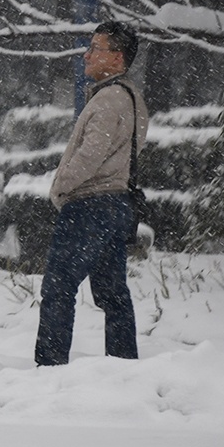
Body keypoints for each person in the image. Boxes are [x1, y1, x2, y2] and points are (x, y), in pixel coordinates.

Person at [34, 20, 148, 367]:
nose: (86, 55)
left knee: (58, 288)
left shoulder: (109, 100)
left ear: (117, 58)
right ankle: (124, 365)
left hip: (89, 206)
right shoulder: (130, 98)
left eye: (95, 48)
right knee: (113, 295)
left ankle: (50, 366)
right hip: (116, 205)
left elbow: (91, 153)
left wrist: (60, 187)